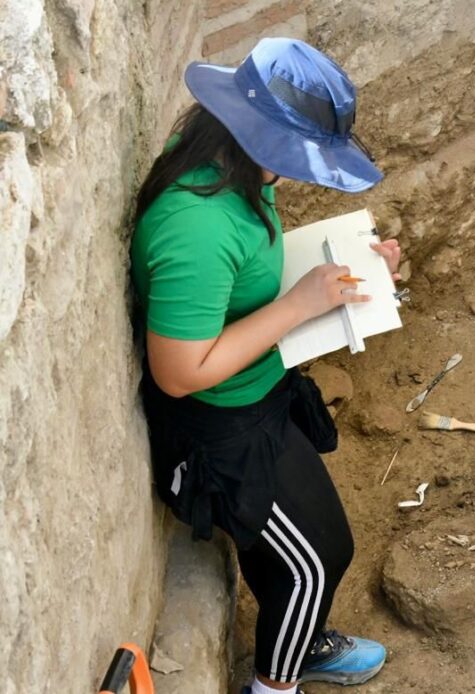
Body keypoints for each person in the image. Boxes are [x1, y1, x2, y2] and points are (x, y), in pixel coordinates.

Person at [130, 38, 399, 694]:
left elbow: (238, 284)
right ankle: (275, 684)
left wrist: (356, 273)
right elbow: (179, 372)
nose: (307, 173)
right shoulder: (198, 225)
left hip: (257, 394)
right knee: (314, 566)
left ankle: (299, 641)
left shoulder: (230, 163)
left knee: (314, 547)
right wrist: (300, 304)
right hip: (218, 425)